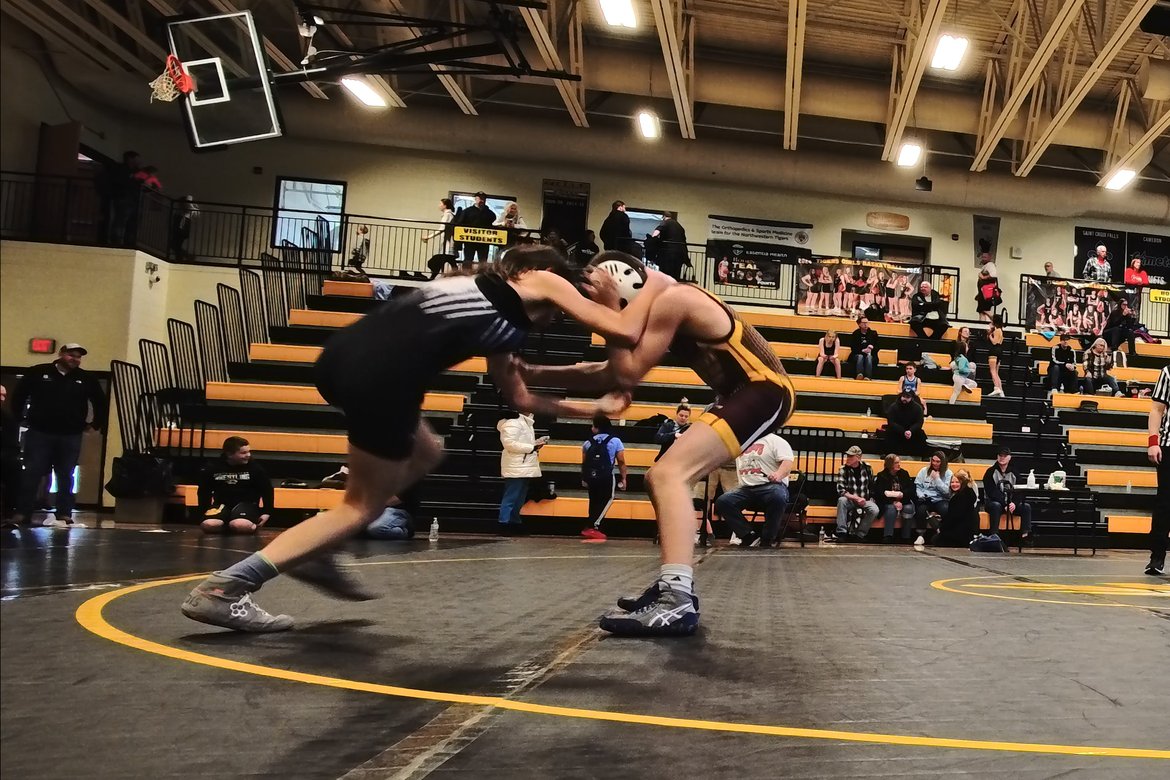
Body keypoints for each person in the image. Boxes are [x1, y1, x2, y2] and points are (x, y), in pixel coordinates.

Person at [180, 245, 664, 632]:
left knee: (429, 449)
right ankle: (227, 588)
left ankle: (317, 547)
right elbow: (620, 328)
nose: (558, 315)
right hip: (383, 375)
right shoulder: (538, 278)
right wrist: (649, 288)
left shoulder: (497, 314)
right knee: (359, 507)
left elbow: (520, 397)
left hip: (348, 357)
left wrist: (595, 408)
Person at [520, 251, 797, 636]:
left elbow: (627, 371)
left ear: (623, 291)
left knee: (669, 474)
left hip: (763, 390)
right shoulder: (663, 300)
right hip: (742, 391)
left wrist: (607, 307)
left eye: (611, 302)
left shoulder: (673, 299)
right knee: (660, 477)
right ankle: (674, 585)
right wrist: (533, 373)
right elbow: (606, 371)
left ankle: (677, 597)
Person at [11, 344, 107, 528]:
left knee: (66, 474)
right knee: (32, 472)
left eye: (78, 357)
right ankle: (22, 512)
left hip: (70, 433)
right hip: (40, 432)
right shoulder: (38, 373)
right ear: (61, 354)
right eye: (71, 355)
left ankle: (64, 513)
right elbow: (19, 395)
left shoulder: (86, 379)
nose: (75, 359)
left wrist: (94, 424)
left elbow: (100, 402)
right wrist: (20, 418)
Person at [714, 432, 794, 549]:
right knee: (723, 501)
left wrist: (778, 475)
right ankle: (748, 536)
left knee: (777, 496)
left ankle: (767, 539)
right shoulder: (742, 442)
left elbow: (787, 462)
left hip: (770, 486)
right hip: (746, 489)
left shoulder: (776, 441)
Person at [197, 437, 273, 534]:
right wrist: (203, 512)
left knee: (240, 525)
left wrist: (267, 512)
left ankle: (242, 525)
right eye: (243, 453)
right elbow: (204, 491)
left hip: (247, 505)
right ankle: (227, 525)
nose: (248, 455)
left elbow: (267, 490)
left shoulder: (255, 468)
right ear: (229, 454)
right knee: (209, 525)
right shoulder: (214, 467)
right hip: (222, 506)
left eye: (249, 452)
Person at [497, 410, 547, 535]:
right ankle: (504, 523)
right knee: (511, 497)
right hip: (516, 465)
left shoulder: (526, 423)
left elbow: (520, 443)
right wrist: (532, 447)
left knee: (519, 497)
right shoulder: (513, 423)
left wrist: (535, 444)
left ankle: (514, 522)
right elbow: (509, 444)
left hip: (524, 464)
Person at [580, 414, 627, 541]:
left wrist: (584, 478)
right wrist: (624, 478)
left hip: (591, 476)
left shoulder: (587, 443)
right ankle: (594, 526)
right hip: (606, 475)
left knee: (594, 500)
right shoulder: (615, 441)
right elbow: (621, 460)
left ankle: (591, 526)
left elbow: (584, 462)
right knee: (608, 498)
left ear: (596, 428)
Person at [1145, 365, 1169, 576]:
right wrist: (1154, 441)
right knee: (1165, 502)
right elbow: (1156, 409)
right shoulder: (1168, 372)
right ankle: (1157, 557)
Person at [829, 445, 878, 542]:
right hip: (850, 499)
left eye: (851, 456)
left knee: (874, 509)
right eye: (848, 456)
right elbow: (841, 490)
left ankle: (860, 534)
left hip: (864, 499)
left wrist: (869, 498)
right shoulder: (843, 469)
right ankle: (841, 532)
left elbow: (872, 485)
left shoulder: (868, 468)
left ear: (858, 457)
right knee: (841, 500)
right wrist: (856, 498)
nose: (848, 458)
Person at [982, 446, 1032, 540]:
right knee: (996, 506)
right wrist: (1005, 503)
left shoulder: (1015, 472)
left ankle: (1025, 535)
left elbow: (1020, 489)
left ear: (1010, 457)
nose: (1002, 457)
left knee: (1026, 507)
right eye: (1000, 455)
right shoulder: (990, 472)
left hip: (1010, 503)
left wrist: (1014, 503)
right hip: (994, 503)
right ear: (997, 457)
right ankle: (994, 535)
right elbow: (991, 492)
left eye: (1005, 456)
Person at [913, 451, 953, 544]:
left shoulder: (948, 473)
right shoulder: (924, 471)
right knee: (921, 510)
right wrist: (921, 495)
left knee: (946, 509)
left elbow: (947, 492)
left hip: (941, 499)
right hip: (926, 498)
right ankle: (920, 535)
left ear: (943, 462)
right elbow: (918, 486)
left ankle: (945, 532)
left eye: (938, 461)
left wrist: (937, 479)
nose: (934, 463)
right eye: (933, 461)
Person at [874, 453, 916, 542]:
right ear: (890, 464)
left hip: (904, 500)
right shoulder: (881, 475)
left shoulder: (904, 473)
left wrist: (902, 498)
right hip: (888, 502)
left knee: (908, 508)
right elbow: (879, 493)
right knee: (890, 508)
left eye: (898, 462)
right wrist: (893, 502)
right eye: (896, 463)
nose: (899, 464)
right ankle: (888, 535)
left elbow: (911, 490)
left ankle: (906, 536)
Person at [936, 470, 978, 547]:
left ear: (962, 483)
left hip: (960, 533)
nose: (954, 484)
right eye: (952, 482)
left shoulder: (959, 497)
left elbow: (953, 517)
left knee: (936, 539)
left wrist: (941, 528)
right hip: (967, 532)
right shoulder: (969, 493)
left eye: (957, 482)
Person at [456, 191, 496, 266]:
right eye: (480, 199)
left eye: (484, 199)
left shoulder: (489, 213)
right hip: (469, 240)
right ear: (475, 199)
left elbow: (493, 220)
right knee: (468, 259)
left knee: (483, 261)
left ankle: (482, 276)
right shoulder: (467, 211)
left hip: (484, 241)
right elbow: (460, 224)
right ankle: (466, 276)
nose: (482, 201)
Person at [882, 390, 927, 454]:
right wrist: (903, 431)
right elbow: (891, 422)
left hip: (912, 431)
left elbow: (919, 423)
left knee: (921, 434)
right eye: (903, 396)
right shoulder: (893, 407)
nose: (905, 399)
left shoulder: (918, 408)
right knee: (889, 433)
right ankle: (887, 454)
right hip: (897, 430)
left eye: (907, 397)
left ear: (911, 398)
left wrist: (911, 431)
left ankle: (923, 455)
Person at [647, 212, 688, 280]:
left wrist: (651, 240)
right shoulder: (680, 226)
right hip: (679, 254)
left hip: (667, 254)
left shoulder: (665, 223)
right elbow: (684, 240)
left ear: (663, 217)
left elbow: (655, 234)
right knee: (675, 276)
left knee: (665, 276)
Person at [1, 385, 20, 525]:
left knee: (13, 466)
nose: (2, 399)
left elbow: (12, 443)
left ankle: (9, 512)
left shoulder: (7, 418)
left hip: (5, 454)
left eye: (3, 395)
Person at [169, 194, 199, 262]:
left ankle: (185, 257)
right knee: (176, 244)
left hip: (181, 226)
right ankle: (182, 258)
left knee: (175, 244)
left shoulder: (187, 209)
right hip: (182, 226)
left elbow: (191, 211)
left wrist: (189, 201)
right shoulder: (186, 209)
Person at [986, 315, 1006, 398]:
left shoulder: (997, 330)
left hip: (994, 350)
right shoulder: (1001, 330)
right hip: (1000, 350)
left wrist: (990, 335)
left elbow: (994, 342)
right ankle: (1001, 390)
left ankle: (996, 387)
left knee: (993, 371)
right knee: (996, 372)